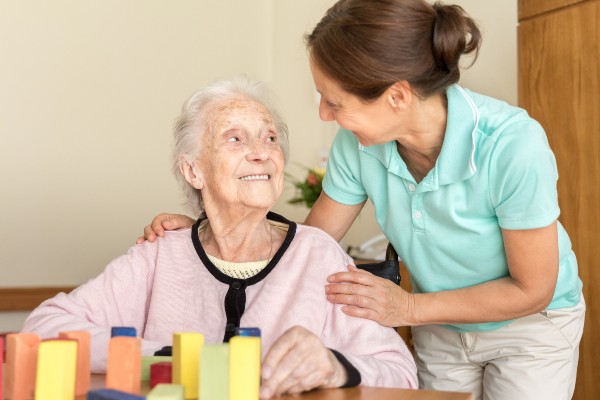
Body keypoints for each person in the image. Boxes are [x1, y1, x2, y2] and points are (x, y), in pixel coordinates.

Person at [137, 1, 586, 399]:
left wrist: (408, 308)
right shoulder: (360, 146)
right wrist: (212, 231)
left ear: (396, 97)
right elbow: (308, 245)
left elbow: (533, 289)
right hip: (441, 326)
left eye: (334, 101)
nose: (323, 114)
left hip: (531, 326)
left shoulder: (511, 145)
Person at [22, 76, 417, 398]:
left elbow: (400, 372)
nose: (261, 152)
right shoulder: (161, 254)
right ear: (194, 171)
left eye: (270, 138)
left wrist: (336, 366)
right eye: (235, 138)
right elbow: (44, 327)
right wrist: (174, 358)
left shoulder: (317, 255)